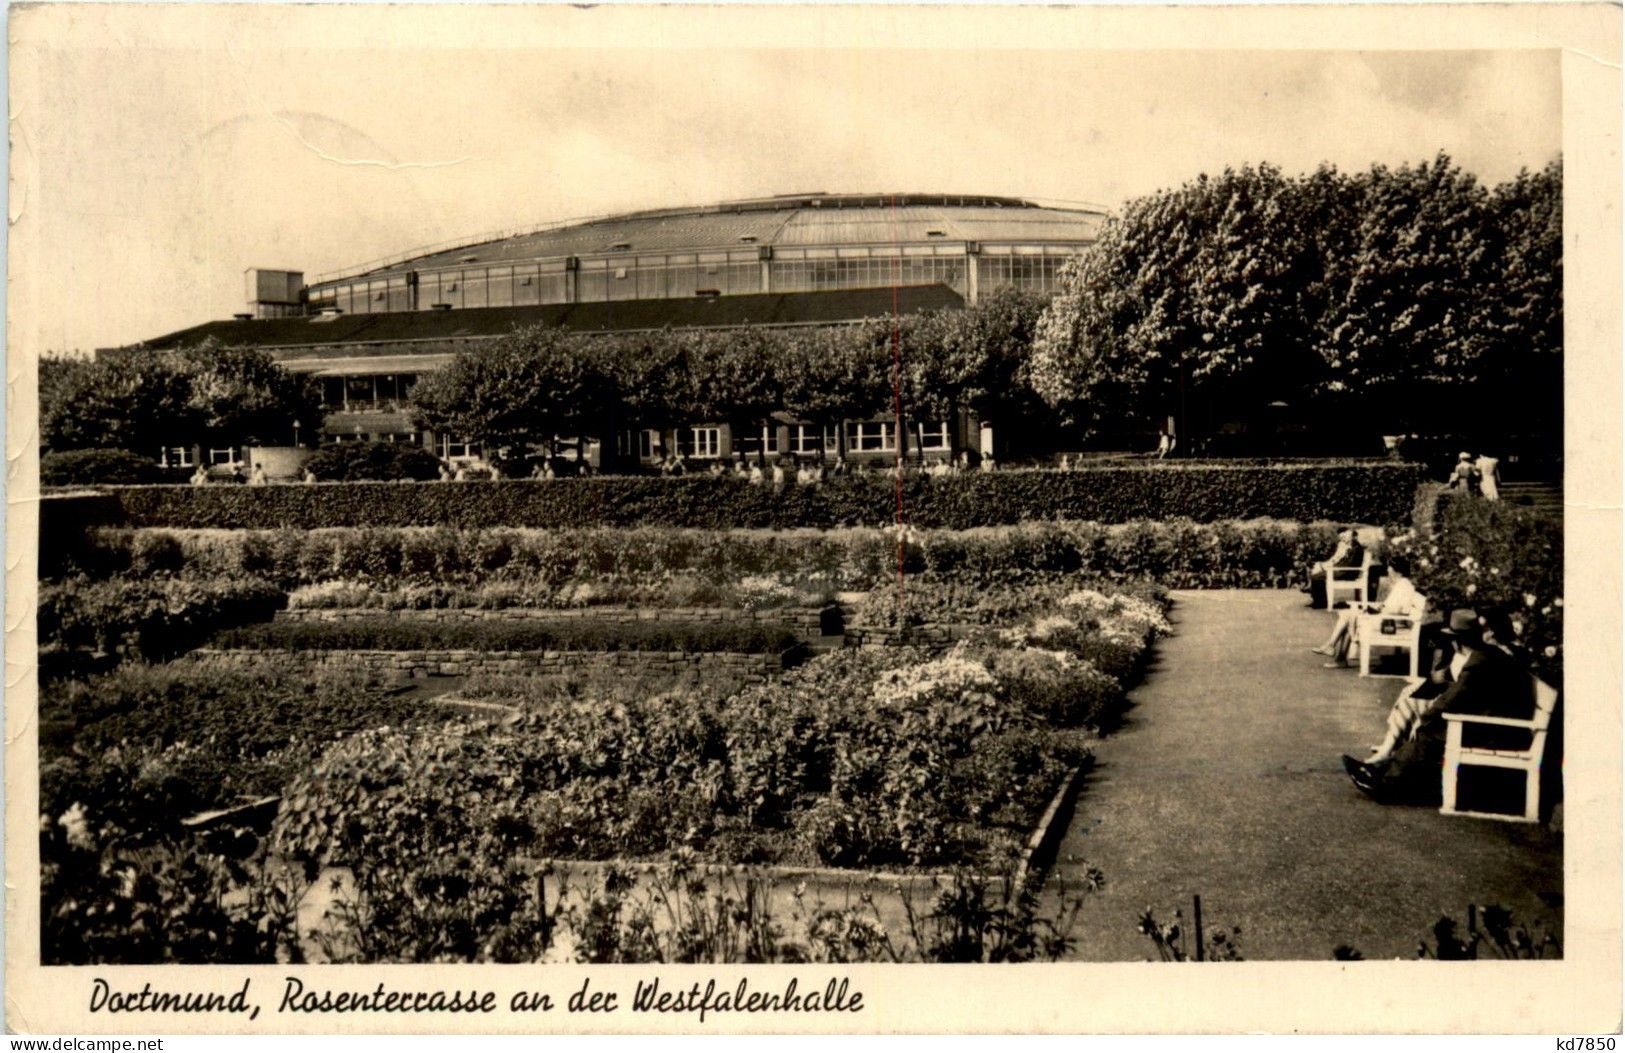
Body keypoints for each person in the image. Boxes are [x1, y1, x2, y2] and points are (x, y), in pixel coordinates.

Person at [1341, 609, 1531, 797]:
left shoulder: (1480, 660)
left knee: (1429, 732)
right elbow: (1457, 694)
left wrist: (1424, 719)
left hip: (1496, 731)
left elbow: (1451, 699)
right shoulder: (1493, 655)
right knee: (1430, 724)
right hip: (1498, 723)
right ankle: (1383, 770)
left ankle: (1386, 786)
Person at [1312, 554, 1421, 667]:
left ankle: (1333, 650)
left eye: (1390, 567)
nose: (1388, 570)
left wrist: (1378, 610)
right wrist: (1378, 608)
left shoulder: (1404, 586)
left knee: (1349, 616)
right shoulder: (1401, 584)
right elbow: (1392, 606)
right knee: (1349, 615)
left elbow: (1398, 610)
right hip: (1386, 618)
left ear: (1397, 571)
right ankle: (1335, 652)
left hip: (1390, 622)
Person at [1304, 526, 1365, 609]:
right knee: (1318, 576)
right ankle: (1319, 601)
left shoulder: (1357, 548)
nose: (1346, 540)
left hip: (1347, 573)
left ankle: (1320, 603)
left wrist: (1335, 568)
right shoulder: (1352, 547)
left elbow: (1349, 564)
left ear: (1353, 537)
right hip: (1344, 571)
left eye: (1348, 537)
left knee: (1317, 577)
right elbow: (1344, 562)